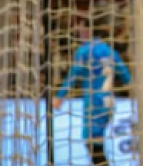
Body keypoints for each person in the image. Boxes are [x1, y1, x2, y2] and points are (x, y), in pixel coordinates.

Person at [53, 20, 132, 166]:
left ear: (87, 31)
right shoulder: (109, 50)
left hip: (94, 103)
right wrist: (141, 97)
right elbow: (126, 75)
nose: (78, 32)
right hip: (109, 103)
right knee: (97, 145)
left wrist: (59, 97)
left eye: (81, 29)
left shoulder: (83, 52)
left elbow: (73, 77)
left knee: (92, 144)